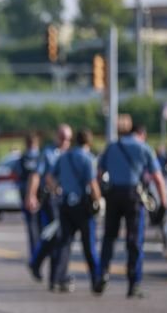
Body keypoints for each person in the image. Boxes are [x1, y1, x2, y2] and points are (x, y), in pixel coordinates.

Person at [97, 115, 167, 298]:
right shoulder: (144, 148)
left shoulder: (112, 147)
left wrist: (102, 193)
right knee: (134, 241)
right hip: (134, 196)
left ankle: (102, 273)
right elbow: (158, 179)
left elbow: (99, 173)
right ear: (141, 134)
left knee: (109, 237)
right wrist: (163, 203)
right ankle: (133, 283)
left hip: (113, 195)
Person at [48, 129, 102, 293]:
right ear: (88, 143)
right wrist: (98, 202)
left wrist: (57, 190)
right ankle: (96, 279)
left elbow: (49, 178)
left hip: (65, 204)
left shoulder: (64, 157)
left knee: (64, 243)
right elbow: (92, 185)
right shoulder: (87, 158)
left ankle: (57, 278)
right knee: (89, 246)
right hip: (82, 206)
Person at [26, 124, 73, 292]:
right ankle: (40, 265)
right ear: (56, 136)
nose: (65, 141)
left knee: (61, 239)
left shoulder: (69, 154)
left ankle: (56, 276)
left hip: (66, 201)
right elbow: (37, 175)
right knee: (56, 235)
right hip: (51, 200)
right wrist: (31, 195)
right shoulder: (47, 153)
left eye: (68, 138)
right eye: (62, 137)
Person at [13, 132, 41, 262]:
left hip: (26, 194)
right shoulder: (40, 157)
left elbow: (17, 175)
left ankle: (35, 252)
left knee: (32, 225)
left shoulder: (22, 159)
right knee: (40, 224)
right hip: (40, 194)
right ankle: (40, 251)